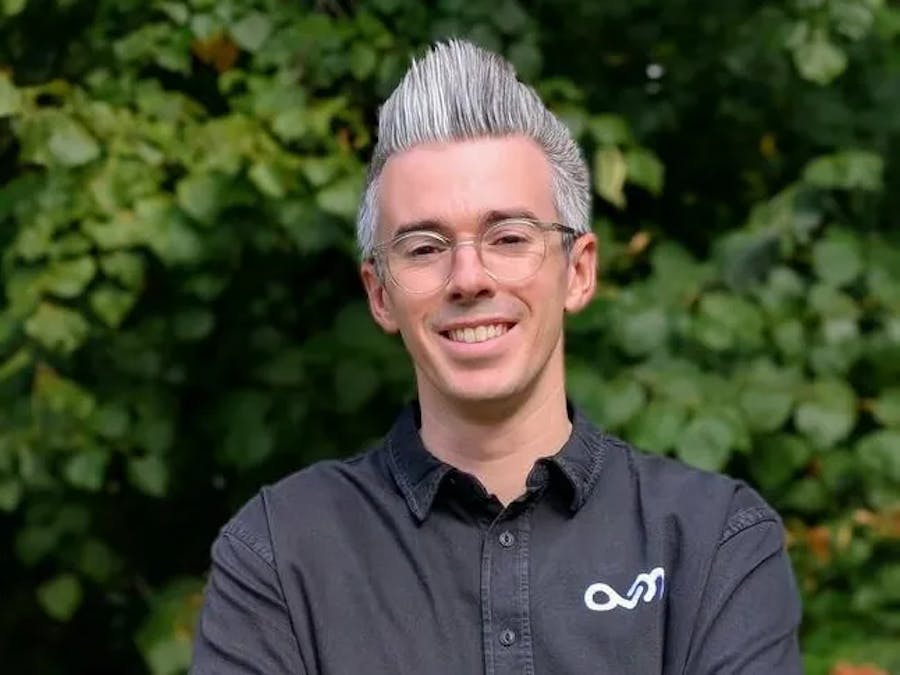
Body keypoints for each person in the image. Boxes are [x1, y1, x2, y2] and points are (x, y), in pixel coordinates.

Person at [191, 39, 802, 674]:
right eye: (424, 247)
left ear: (578, 271)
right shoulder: (280, 554)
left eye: (508, 238)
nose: (468, 278)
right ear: (379, 294)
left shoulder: (713, 540)